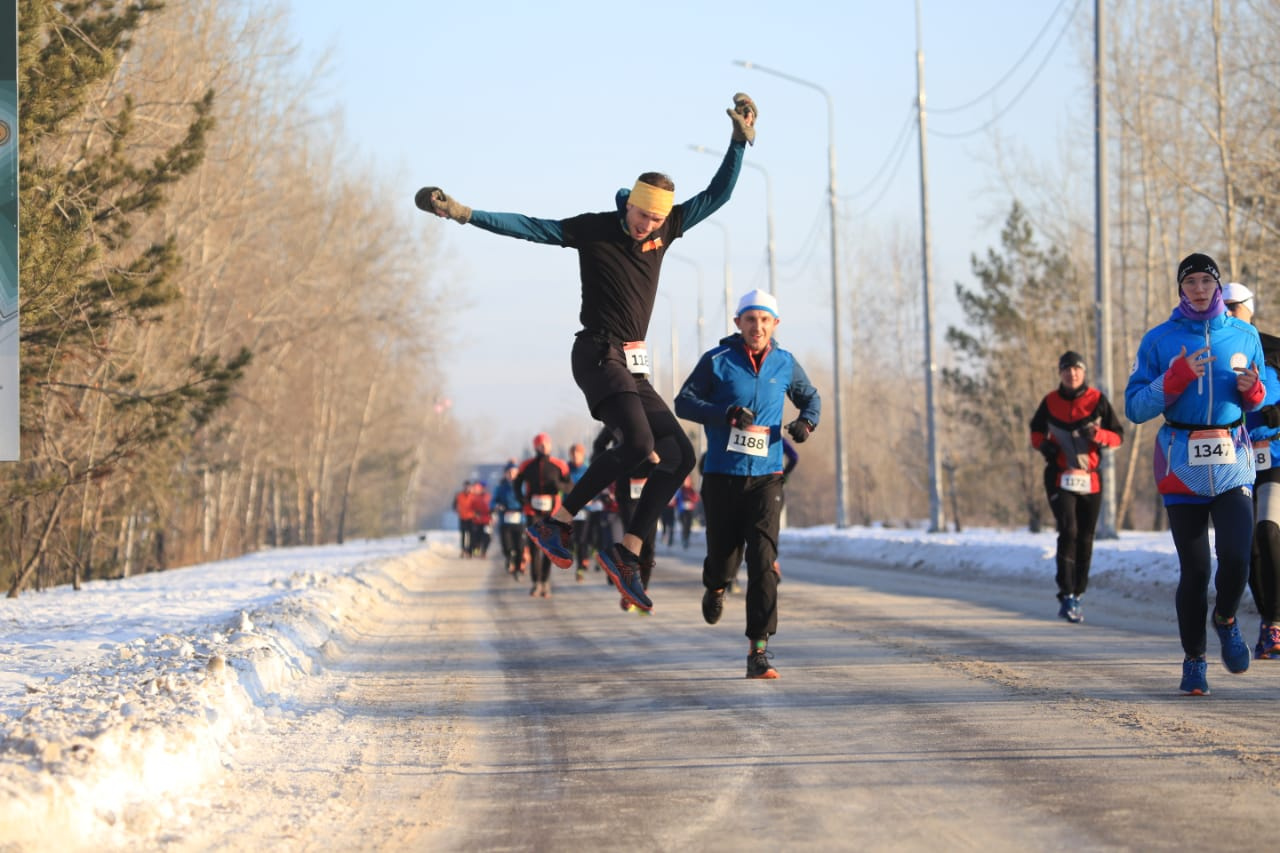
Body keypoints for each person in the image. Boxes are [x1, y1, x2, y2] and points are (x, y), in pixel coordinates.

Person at [417, 92, 758, 613]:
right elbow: (530, 227)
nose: (646, 226)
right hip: (597, 354)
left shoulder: (667, 229)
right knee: (640, 443)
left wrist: (738, 143)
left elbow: (719, 195)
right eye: (641, 215)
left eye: (654, 220)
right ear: (629, 204)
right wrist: (463, 212)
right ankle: (556, 521)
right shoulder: (595, 229)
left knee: (679, 455)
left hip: (633, 364)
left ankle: (628, 551)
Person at [1124, 253, 1266, 696]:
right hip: (1181, 462)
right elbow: (1134, 407)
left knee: (1239, 557)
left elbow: (1261, 397)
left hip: (1231, 461)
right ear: (1181, 289)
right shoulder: (1160, 340)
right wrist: (1174, 379)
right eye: (1192, 282)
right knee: (1195, 569)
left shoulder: (1245, 335)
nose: (1201, 289)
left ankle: (1225, 618)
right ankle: (1194, 661)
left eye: (1208, 281)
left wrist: (1254, 392)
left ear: (1219, 287)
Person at [675, 289, 821, 679]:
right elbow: (683, 402)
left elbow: (811, 400)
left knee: (763, 562)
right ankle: (716, 586)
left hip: (767, 479)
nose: (757, 327)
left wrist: (805, 424)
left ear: (775, 325)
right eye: (750, 319)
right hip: (722, 475)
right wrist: (726, 413)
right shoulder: (717, 361)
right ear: (738, 323)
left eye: (764, 320)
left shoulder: (786, 363)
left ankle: (759, 649)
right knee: (724, 558)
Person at [1028, 350, 1124, 624]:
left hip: (1090, 476)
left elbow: (1118, 437)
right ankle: (1065, 592)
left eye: (1076, 369)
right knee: (1068, 529)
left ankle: (1078, 592)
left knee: (1085, 536)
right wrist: (1043, 445)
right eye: (1067, 370)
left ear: (1083, 373)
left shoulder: (1097, 401)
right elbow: (1035, 431)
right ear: (1060, 373)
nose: (1072, 374)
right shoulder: (1050, 401)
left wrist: (1098, 435)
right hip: (1060, 475)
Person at [1222, 283, 1280, 659]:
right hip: (1236, 459)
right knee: (1249, 548)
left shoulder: (1274, 347)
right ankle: (1267, 621)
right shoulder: (1215, 350)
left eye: (1234, 306)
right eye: (1222, 306)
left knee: (1267, 530)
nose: (1228, 312)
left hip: (1275, 455)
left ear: (1249, 309)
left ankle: (1276, 625)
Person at [514, 433, 571, 599]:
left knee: (549, 548)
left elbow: (570, 486)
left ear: (550, 446)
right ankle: (536, 583)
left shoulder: (559, 465)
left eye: (546, 444)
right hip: (533, 512)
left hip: (553, 513)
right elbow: (516, 484)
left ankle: (545, 582)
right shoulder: (526, 466)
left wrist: (559, 485)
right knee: (534, 547)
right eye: (540, 444)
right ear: (535, 447)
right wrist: (522, 499)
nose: (543, 447)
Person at [491, 461, 526, 578]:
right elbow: (493, 502)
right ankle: (509, 560)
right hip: (505, 522)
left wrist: (523, 508)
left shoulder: (523, 487)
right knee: (507, 546)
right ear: (505, 474)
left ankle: (518, 566)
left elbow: (528, 500)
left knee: (520, 547)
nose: (511, 475)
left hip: (520, 521)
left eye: (513, 472)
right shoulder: (500, 488)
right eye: (509, 472)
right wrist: (497, 506)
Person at [566, 443, 593, 582]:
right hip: (569, 509)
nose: (575, 456)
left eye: (578, 454)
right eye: (573, 454)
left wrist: (590, 499)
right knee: (570, 539)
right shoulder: (565, 470)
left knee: (581, 539)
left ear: (583, 455)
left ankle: (580, 566)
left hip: (584, 509)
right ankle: (578, 556)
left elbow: (595, 486)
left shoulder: (587, 470)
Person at [469, 480, 493, 557]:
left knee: (487, 537)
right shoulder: (474, 497)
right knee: (476, 537)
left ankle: (484, 551)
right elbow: (470, 507)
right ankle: (476, 550)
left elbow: (492, 507)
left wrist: (492, 514)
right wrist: (475, 513)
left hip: (487, 521)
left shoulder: (489, 497)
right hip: (476, 521)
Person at [676, 476, 700, 550]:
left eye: (688, 480)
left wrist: (691, 499)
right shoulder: (681, 490)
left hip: (689, 510)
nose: (686, 482)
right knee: (684, 524)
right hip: (682, 510)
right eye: (685, 480)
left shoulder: (691, 490)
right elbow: (677, 500)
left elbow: (696, 498)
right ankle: (684, 538)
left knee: (688, 525)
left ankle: (686, 539)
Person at [453, 481, 475, 558]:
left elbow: (477, 506)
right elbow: (454, 505)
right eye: (465, 486)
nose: (466, 488)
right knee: (463, 535)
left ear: (470, 487)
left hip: (471, 518)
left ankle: (469, 551)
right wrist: (456, 510)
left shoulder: (473, 496)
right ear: (463, 487)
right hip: (462, 517)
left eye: (468, 487)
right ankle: (463, 550)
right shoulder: (459, 495)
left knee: (471, 535)